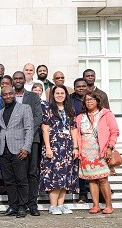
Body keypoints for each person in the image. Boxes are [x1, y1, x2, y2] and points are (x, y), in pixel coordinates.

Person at [76, 92, 119, 214]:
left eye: (91, 99)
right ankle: (95, 205)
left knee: (103, 179)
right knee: (91, 180)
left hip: (102, 151)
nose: (89, 102)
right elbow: (78, 134)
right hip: (86, 152)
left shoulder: (106, 114)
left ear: (97, 101)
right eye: (87, 100)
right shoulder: (80, 117)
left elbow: (114, 131)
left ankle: (109, 205)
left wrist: (110, 147)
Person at [40, 85, 79, 215]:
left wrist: (75, 147)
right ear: (53, 94)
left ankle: (61, 205)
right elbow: (45, 129)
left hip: (67, 146)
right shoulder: (48, 108)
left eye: (62, 93)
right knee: (54, 175)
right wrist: (48, 148)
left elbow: (73, 128)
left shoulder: (70, 109)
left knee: (66, 175)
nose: (60, 95)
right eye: (57, 93)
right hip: (54, 145)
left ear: (66, 94)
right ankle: (53, 205)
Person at [0, 86, 34, 219]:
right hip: (4, 151)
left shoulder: (24, 108)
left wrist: (26, 147)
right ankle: (13, 206)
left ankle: (22, 207)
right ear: (2, 96)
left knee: (21, 179)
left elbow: (29, 129)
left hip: (19, 149)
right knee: (9, 181)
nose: (7, 96)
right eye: (4, 95)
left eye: (10, 94)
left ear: (14, 94)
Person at [13, 71, 43, 216]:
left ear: (25, 80)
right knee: (20, 175)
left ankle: (33, 204)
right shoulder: (8, 96)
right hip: (14, 141)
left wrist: (28, 134)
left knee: (32, 173)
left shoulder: (33, 97)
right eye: (15, 78)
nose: (18, 80)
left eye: (20, 78)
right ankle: (21, 205)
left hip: (32, 140)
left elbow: (38, 116)